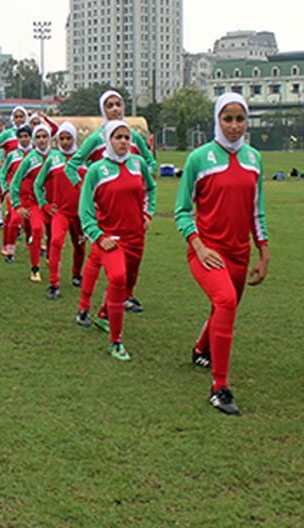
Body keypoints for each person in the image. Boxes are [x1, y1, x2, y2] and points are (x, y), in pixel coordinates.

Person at [174, 93, 269, 417]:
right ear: (217, 120)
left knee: (225, 306)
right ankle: (219, 387)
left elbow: (258, 211)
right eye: (227, 118)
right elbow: (182, 211)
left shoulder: (254, 158)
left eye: (239, 118)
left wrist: (264, 251)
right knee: (226, 301)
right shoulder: (199, 159)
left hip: (241, 254)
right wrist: (199, 246)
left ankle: (201, 348)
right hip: (207, 254)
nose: (233, 125)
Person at [66, 89, 157, 312]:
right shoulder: (95, 139)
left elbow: (150, 164)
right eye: (110, 105)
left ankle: (125, 297)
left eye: (119, 104)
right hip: (104, 207)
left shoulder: (132, 136)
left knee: (131, 260)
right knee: (98, 256)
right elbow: (72, 166)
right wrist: (88, 193)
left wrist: (142, 197)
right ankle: (86, 306)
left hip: (130, 210)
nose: (115, 109)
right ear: (102, 110)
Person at [76, 120, 156, 362]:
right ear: (108, 140)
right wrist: (99, 236)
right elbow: (85, 211)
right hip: (110, 238)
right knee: (118, 278)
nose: (123, 141)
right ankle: (116, 341)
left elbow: (150, 189)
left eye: (126, 137)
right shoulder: (96, 170)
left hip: (136, 237)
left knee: (128, 283)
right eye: (118, 137)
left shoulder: (138, 163)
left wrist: (148, 212)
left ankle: (102, 314)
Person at [34, 121, 87, 293]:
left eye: (68, 138)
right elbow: (38, 184)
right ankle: (54, 283)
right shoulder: (53, 159)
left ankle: (76, 275)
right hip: (61, 212)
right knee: (55, 242)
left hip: (80, 213)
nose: (65, 142)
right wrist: (44, 204)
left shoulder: (83, 159)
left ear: (74, 138)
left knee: (79, 246)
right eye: (61, 138)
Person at [9, 123, 54, 286]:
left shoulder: (56, 156)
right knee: (36, 229)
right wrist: (17, 204)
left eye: (44, 136)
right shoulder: (30, 159)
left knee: (54, 236)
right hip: (35, 205)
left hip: (54, 204)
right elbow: (15, 182)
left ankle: (51, 257)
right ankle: (35, 268)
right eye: (38, 137)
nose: (41, 140)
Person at [0, 125, 34, 263]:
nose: (24, 139)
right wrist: (6, 190)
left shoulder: (36, 155)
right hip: (17, 196)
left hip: (32, 197)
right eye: (21, 136)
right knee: (14, 221)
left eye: (26, 136)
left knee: (31, 224)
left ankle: (31, 245)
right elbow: (3, 174)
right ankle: (10, 253)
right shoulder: (13, 155)